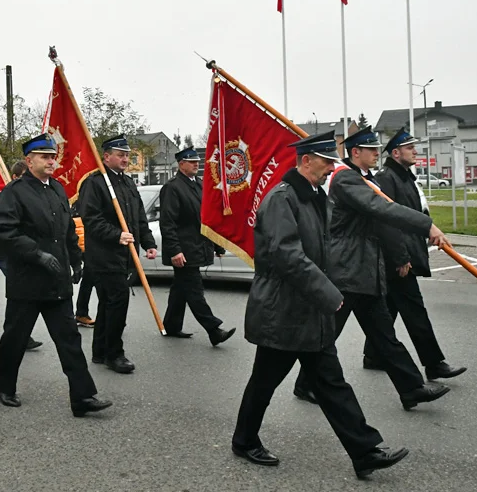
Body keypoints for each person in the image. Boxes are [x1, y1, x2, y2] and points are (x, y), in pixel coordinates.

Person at [232, 132, 409, 479]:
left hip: (308, 310)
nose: (331, 169)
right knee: (264, 382)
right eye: (326, 161)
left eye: (332, 162)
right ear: (305, 160)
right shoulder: (282, 200)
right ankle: (244, 440)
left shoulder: (312, 196)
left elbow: (323, 250)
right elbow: (287, 256)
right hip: (282, 312)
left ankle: (364, 451)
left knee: (332, 383)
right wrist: (329, 293)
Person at [294, 126, 450, 411]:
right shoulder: (347, 181)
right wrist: (426, 226)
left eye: (378, 149)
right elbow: (383, 210)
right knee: (327, 334)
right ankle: (305, 384)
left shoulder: (362, 179)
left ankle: (412, 389)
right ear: (356, 153)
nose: (378, 153)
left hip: (365, 272)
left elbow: (381, 221)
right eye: (371, 150)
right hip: (346, 272)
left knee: (385, 337)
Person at [0, 134, 112, 416]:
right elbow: (3, 232)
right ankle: (4, 387)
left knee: (69, 339)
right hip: (28, 282)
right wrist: (36, 253)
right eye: (44, 157)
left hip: (57, 281)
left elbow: (67, 229)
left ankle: (82, 397)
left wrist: (77, 259)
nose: (50, 161)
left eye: (52, 156)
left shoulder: (57, 189)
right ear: (29, 160)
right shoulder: (15, 192)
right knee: (15, 338)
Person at [362, 128, 466, 379]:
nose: (415, 151)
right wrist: (400, 258)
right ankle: (434, 363)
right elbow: (388, 220)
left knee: (388, 308)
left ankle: (373, 355)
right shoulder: (388, 178)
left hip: (404, 252)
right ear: (396, 153)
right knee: (414, 310)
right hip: (398, 257)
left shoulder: (404, 176)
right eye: (410, 148)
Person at [79, 134, 157, 374]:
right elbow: (91, 218)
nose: (125, 159)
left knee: (108, 305)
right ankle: (115, 354)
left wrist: (148, 242)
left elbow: (138, 218)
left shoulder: (128, 183)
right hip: (104, 256)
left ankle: (100, 351)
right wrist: (116, 235)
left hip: (125, 256)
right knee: (118, 304)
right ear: (106, 156)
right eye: (120, 155)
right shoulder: (96, 182)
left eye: (126, 155)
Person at [159, 146, 235, 345]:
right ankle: (213, 330)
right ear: (181, 163)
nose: (196, 165)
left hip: (198, 245)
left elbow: (207, 219)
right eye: (191, 162)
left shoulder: (199, 185)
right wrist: (175, 250)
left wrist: (217, 245)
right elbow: (168, 222)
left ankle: (172, 325)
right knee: (194, 290)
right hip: (184, 249)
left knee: (180, 289)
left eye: (197, 162)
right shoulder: (173, 187)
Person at [0, 160, 43, 351]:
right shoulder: (8, 195)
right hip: (11, 255)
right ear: (15, 178)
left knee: (21, 296)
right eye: (24, 176)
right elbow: (3, 229)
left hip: (27, 252)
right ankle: (16, 335)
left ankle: (19, 334)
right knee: (19, 296)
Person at [71, 204, 95, 328]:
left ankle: (81, 312)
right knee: (88, 278)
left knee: (89, 278)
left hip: (84, 237)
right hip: (79, 237)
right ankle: (80, 313)